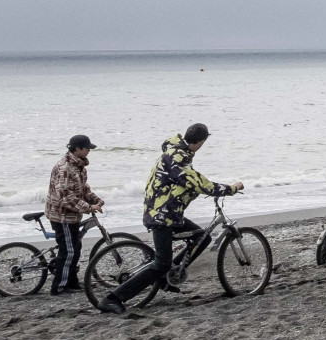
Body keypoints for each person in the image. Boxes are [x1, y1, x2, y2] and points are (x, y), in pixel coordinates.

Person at [97, 122, 242, 315]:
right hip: (161, 216)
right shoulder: (177, 157)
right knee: (162, 263)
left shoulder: (177, 151)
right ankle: (113, 299)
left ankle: (168, 276)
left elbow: (186, 183)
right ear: (201, 142)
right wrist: (231, 188)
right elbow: (198, 182)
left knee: (202, 237)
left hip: (170, 213)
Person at [44, 134, 105, 295]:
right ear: (77, 149)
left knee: (75, 248)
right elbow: (66, 197)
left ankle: (72, 282)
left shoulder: (79, 167)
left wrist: (95, 199)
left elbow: (83, 189)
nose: (89, 151)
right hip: (62, 216)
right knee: (68, 251)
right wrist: (88, 207)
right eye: (87, 148)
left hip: (72, 216)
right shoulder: (65, 168)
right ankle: (59, 287)